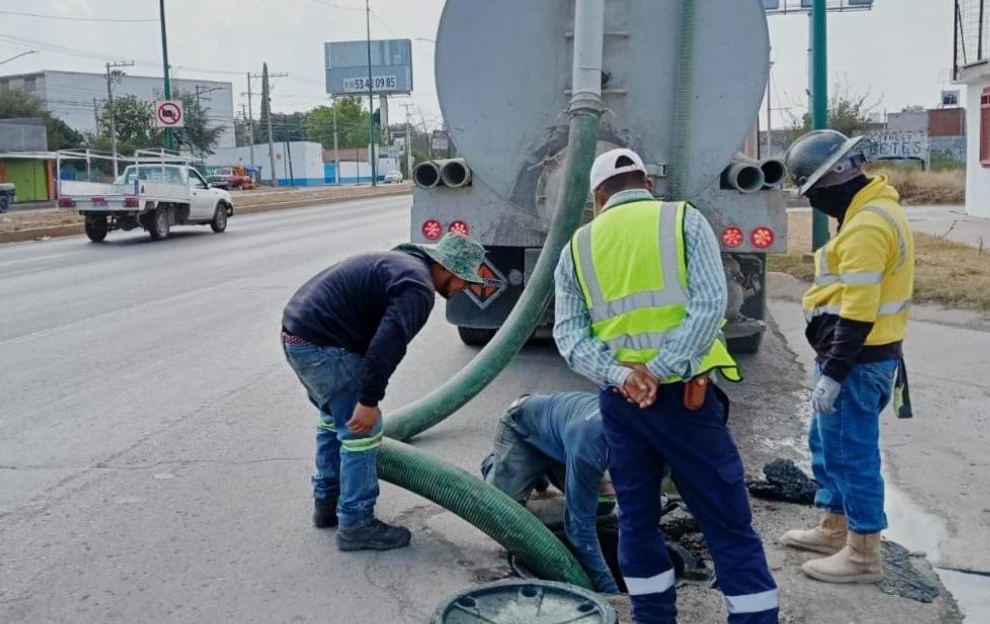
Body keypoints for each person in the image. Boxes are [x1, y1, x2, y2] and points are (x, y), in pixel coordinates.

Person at [553, 148, 779, 624]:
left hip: (622, 403)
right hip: (684, 398)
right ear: (647, 185)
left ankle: (652, 616)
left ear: (598, 197)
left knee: (636, 516)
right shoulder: (682, 220)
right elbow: (711, 303)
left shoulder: (578, 245)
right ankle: (754, 617)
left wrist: (625, 375)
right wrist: (663, 367)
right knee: (723, 516)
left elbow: (569, 336)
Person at [281, 234, 487, 551]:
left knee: (333, 419)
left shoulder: (403, 266)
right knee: (362, 432)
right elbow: (387, 347)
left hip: (297, 335)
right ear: (447, 269)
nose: (464, 289)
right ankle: (356, 524)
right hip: (322, 345)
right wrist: (368, 401)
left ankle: (327, 502)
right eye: (464, 281)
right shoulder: (418, 289)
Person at [778, 129, 915, 584]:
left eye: (814, 192)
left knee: (850, 453)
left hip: (856, 363)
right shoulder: (867, 213)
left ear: (836, 175)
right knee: (827, 445)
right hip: (853, 358)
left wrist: (834, 372)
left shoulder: (869, 226)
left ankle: (862, 554)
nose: (815, 201)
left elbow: (859, 309)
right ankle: (834, 527)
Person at [480, 392, 620, 594]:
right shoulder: (591, 443)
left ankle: (537, 470)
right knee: (501, 511)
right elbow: (579, 525)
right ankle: (495, 464)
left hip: (561, 444)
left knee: (604, 505)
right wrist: (610, 591)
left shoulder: (644, 428)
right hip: (521, 429)